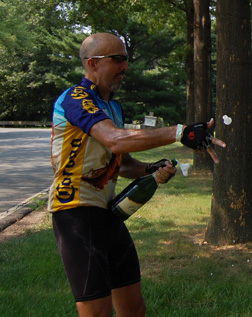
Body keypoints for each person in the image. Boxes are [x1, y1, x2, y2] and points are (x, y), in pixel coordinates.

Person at [48, 32, 226, 317]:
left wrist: (151, 170)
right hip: (76, 212)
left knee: (134, 308)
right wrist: (179, 133)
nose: (125, 67)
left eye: (126, 59)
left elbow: (122, 162)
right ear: (92, 63)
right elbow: (115, 140)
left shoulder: (113, 106)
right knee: (97, 313)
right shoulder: (74, 98)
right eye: (117, 59)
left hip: (108, 213)